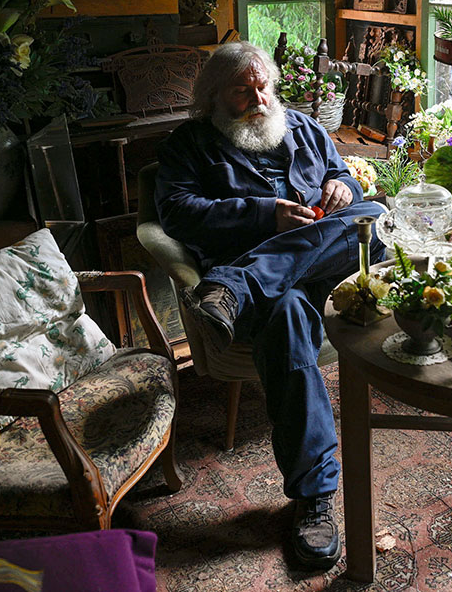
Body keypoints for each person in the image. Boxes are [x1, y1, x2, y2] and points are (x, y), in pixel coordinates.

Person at [154, 42, 385, 570]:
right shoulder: (189, 145)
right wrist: (266, 216)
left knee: (369, 214)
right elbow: (177, 214)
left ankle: (238, 286)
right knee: (286, 318)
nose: (257, 97)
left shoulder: (303, 127)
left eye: (262, 86)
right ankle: (314, 499)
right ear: (213, 98)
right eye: (241, 90)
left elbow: (346, 179)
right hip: (278, 292)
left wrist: (342, 187)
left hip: (320, 273)